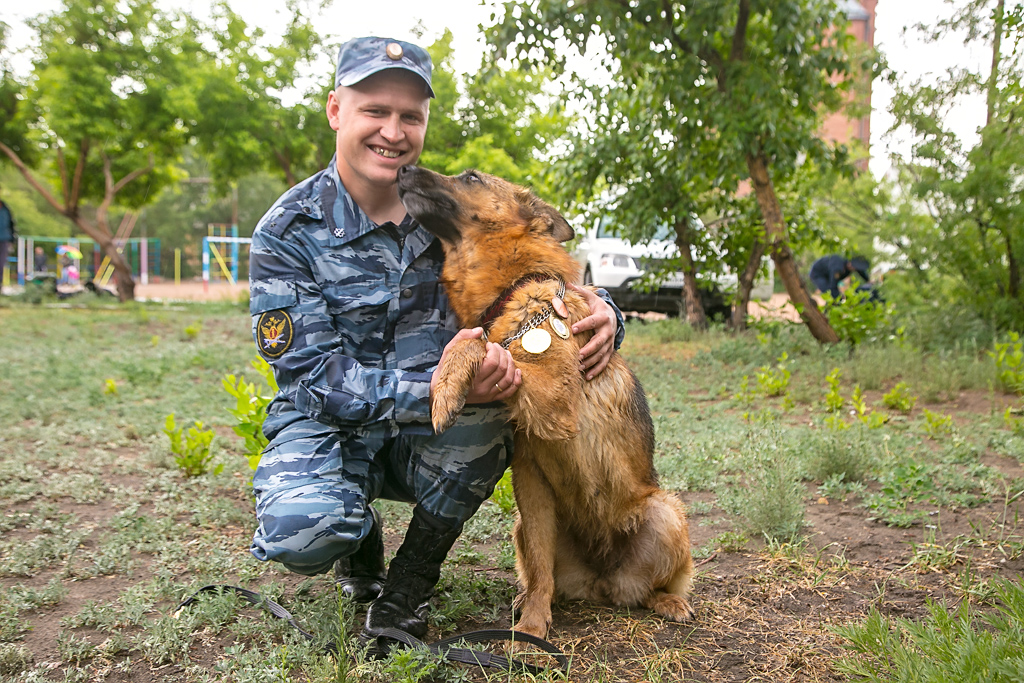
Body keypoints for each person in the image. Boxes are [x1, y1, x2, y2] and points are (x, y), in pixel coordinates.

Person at [247, 36, 625, 641]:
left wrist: (605, 311)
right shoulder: (288, 231)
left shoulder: (451, 215)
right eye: (374, 110)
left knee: (490, 423)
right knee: (304, 528)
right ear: (335, 110)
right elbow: (314, 382)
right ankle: (358, 546)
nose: (392, 131)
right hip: (329, 426)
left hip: (432, 431)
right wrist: (437, 390)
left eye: (410, 116)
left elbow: (534, 284)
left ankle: (410, 584)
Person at [0, 198, 14, 292]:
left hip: (4, 239)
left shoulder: (5, 208)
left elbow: (11, 224)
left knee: (1, 263)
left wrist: (12, 240)